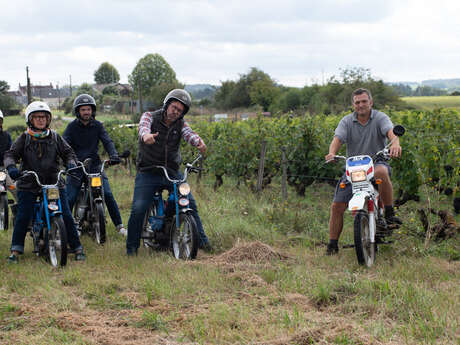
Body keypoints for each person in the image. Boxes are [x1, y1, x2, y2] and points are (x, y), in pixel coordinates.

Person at [126, 89, 211, 255]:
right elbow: (143, 127)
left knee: (190, 203)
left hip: (171, 171)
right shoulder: (150, 116)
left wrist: (198, 142)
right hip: (149, 170)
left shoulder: (181, 124)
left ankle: (202, 242)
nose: (175, 112)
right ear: (167, 104)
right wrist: (146, 136)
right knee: (138, 208)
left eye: (180, 111)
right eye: (174, 107)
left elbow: (189, 134)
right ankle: (131, 249)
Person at [4, 101, 85, 263]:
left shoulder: (55, 136)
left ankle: (77, 248)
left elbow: (69, 152)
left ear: (48, 119)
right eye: (37, 117)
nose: (41, 120)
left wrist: (71, 163)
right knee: (23, 215)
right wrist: (12, 167)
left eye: (44, 117)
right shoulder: (24, 137)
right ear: (30, 119)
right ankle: (15, 251)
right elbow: (10, 154)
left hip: (54, 181)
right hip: (29, 181)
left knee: (67, 215)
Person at [324, 88, 402, 255]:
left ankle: (389, 213)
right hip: (354, 167)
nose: (361, 105)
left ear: (371, 102)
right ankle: (332, 245)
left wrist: (395, 143)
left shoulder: (380, 118)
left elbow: (391, 132)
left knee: (381, 171)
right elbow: (337, 139)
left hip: (376, 161)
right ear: (353, 105)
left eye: (364, 101)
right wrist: (332, 152)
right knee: (337, 205)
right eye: (357, 102)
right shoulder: (346, 122)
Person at [63, 94, 127, 236]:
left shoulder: (98, 126)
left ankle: (120, 226)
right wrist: (69, 163)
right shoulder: (71, 127)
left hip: (95, 166)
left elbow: (107, 141)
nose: (86, 112)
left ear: (93, 111)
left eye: (89, 109)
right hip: (77, 167)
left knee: (108, 194)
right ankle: (66, 227)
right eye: (83, 109)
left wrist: (114, 155)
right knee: (70, 197)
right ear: (78, 111)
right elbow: (64, 145)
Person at [0, 109, 17, 202]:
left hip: (3, 169)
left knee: (13, 188)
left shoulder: (6, 136)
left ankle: (18, 210)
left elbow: (11, 151)